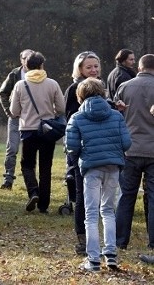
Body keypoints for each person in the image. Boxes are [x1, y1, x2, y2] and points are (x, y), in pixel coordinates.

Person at [65, 77, 131, 273]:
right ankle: (110, 254)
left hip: (91, 168)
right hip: (113, 166)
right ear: (103, 94)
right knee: (108, 211)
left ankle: (93, 259)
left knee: (91, 214)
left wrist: (78, 156)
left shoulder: (77, 117)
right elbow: (126, 143)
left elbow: (71, 146)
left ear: (80, 96)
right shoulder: (116, 116)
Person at [9, 51, 65, 213]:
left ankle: (33, 191)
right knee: (46, 167)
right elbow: (61, 108)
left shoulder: (20, 85)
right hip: (47, 130)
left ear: (26, 66)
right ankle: (44, 205)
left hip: (28, 130)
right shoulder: (52, 84)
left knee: (27, 165)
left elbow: (14, 111)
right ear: (42, 65)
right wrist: (50, 112)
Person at [64, 51, 102, 256]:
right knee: (81, 194)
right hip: (81, 149)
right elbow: (70, 119)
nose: (94, 70)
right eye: (89, 67)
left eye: (96, 66)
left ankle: (99, 236)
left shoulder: (102, 87)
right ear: (80, 69)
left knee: (101, 196)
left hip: (101, 148)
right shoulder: (73, 90)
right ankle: (82, 238)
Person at [115, 53, 154, 251]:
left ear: (139, 68)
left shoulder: (125, 87)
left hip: (130, 149)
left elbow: (117, 114)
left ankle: (120, 241)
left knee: (126, 195)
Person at [0, 49, 34, 189]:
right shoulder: (14, 74)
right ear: (21, 59)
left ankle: (31, 182)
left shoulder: (40, 74)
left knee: (30, 151)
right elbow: (3, 93)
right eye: (25, 58)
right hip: (16, 118)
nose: (28, 60)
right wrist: (9, 111)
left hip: (32, 119)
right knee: (12, 149)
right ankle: (8, 179)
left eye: (31, 57)